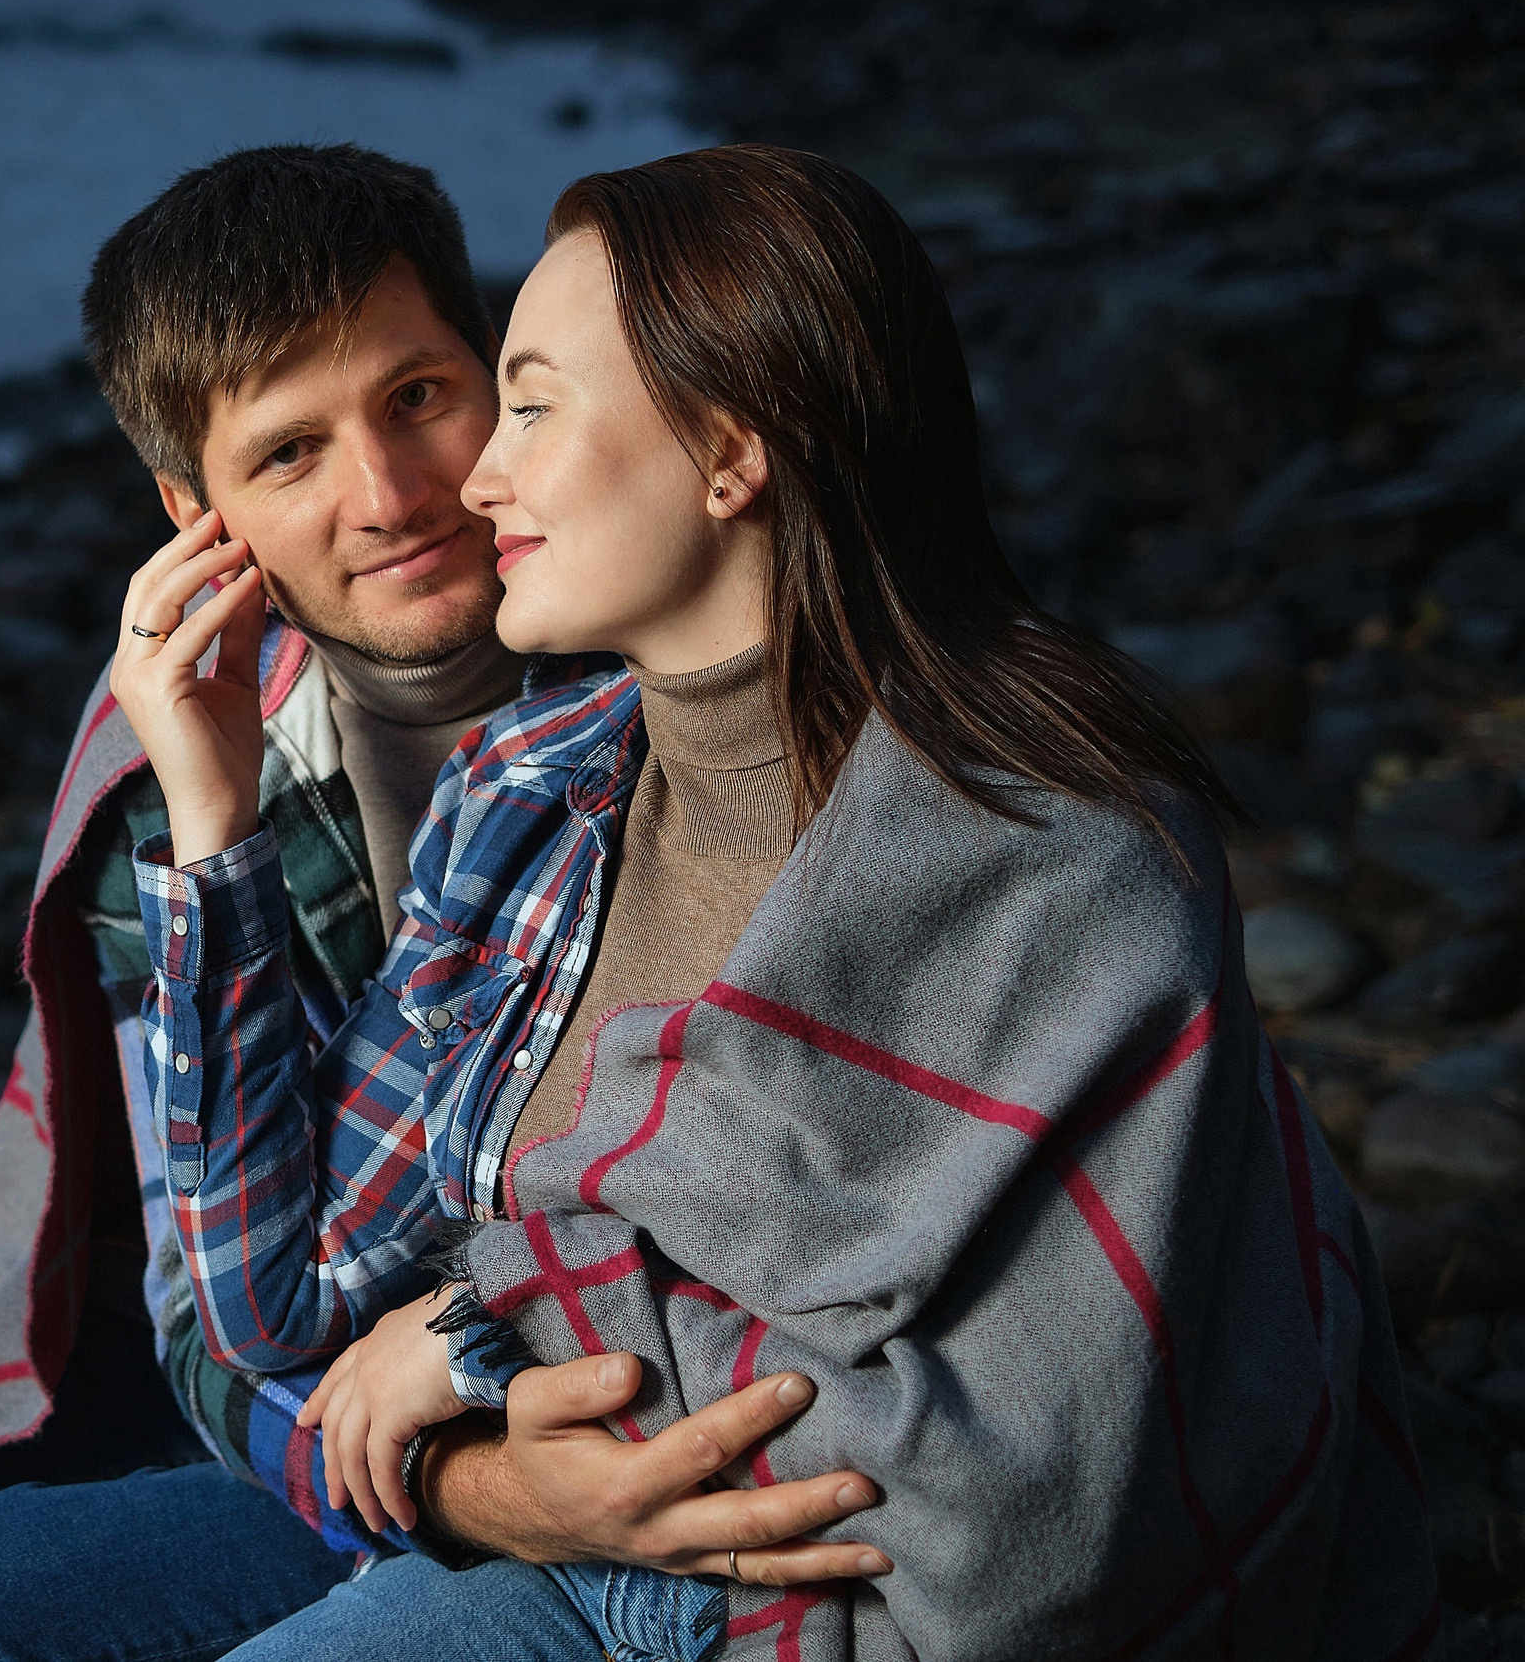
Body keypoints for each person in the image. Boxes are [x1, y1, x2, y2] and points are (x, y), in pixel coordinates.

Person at [0, 145, 875, 1662]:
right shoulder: (182, 728)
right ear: (194, 511)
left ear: (507, 375)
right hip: (243, 1338)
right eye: (289, 455)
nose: (391, 497)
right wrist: (213, 832)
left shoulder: (673, 670)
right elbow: (208, 1310)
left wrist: (462, 1463)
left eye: (421, 396)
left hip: (513, 1356)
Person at [109, 144, 1440, 1659]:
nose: (464, 485)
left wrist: (493, 1324)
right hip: (539, 1520)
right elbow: (275, 1305)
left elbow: (1029, 1487)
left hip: (801, 1603)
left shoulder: (1044, 849)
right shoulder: (536, 786)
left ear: (731, 451)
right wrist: (211, 836)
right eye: (294, 451)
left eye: (516, 406)